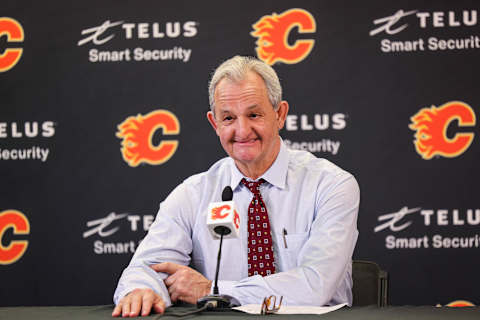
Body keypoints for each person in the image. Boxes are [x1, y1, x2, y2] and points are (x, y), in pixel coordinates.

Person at [112, 56, 359, 317]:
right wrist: (143, 289)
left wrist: (214, 290)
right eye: (228, 118)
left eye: (254, 114)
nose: (242, 131)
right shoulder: (192, 194)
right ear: (214, 123)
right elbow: (147, 268)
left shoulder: (331, 185)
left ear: (280, 114)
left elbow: (314, 287)